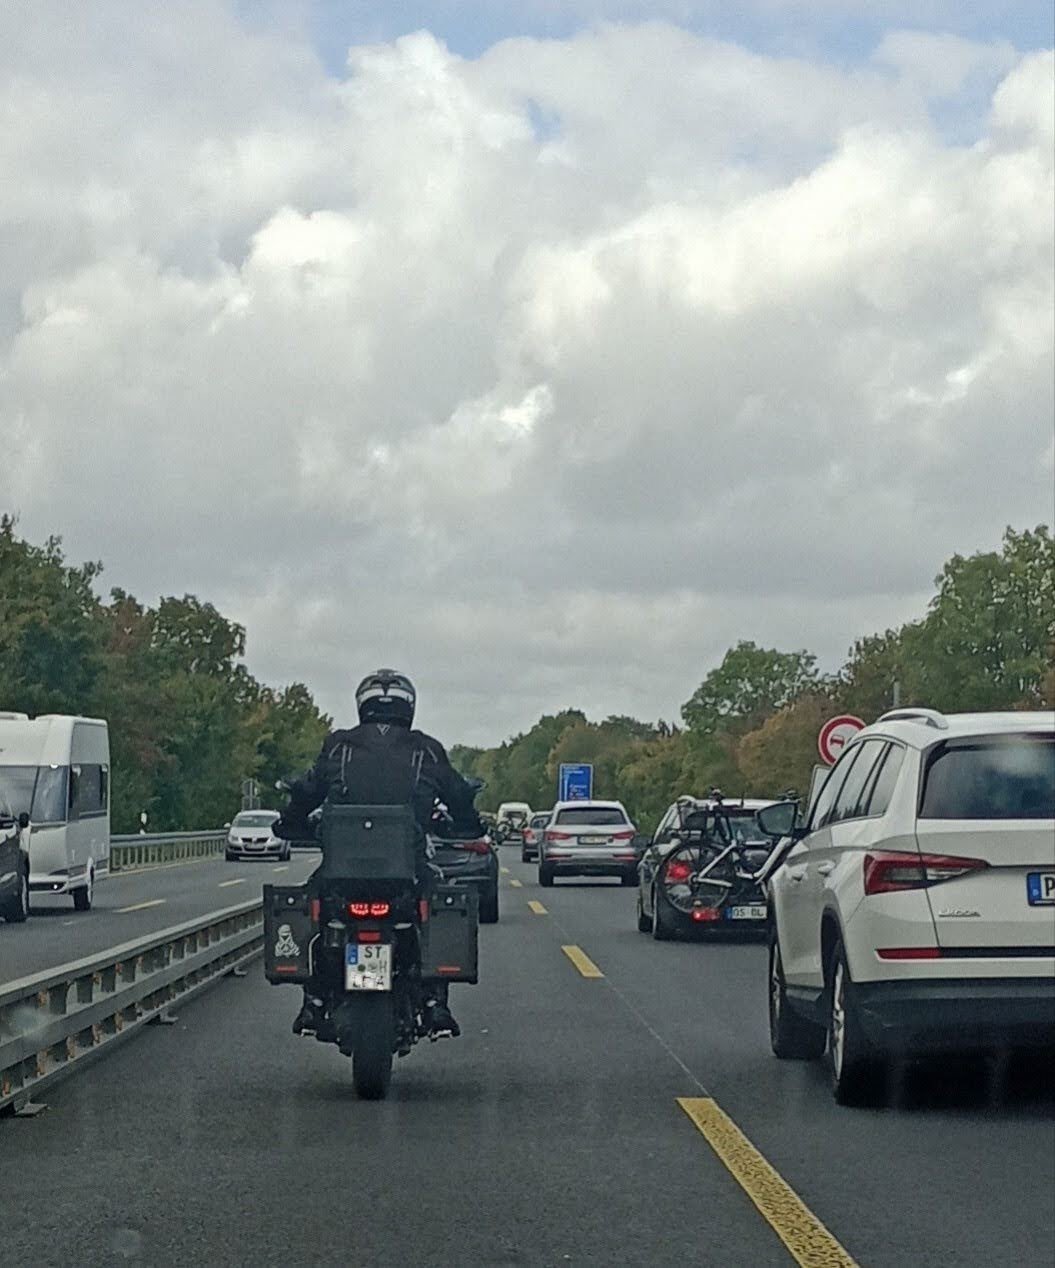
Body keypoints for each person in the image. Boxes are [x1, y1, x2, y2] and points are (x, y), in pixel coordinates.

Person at [275, 668, 482, 1040]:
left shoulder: (337, 746)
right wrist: (467, 823)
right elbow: (459, 795)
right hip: (409, 873)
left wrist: (290, 822)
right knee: (439, 902)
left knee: (311, 902)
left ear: (362, 705)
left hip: (342, 876)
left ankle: (314, 1000)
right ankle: (435, 1001)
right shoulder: (427, 749)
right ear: (409, 706)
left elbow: (306, 791)